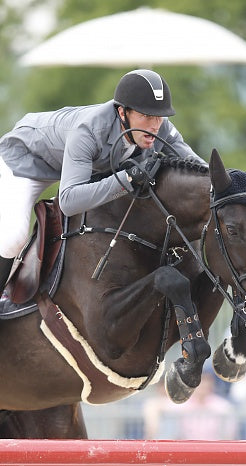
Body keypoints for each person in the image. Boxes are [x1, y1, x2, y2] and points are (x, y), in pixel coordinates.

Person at [0, 69, 205, 297]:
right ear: (122, 112)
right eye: (147, 116)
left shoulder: (158, 125)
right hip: (23, 161)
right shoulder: (88, 132)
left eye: (159, 116)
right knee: (13, 239)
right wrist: (126, 180)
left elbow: (194, 164)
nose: (155, 125)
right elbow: (68, 201)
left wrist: (230, 183)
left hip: (71, 164)